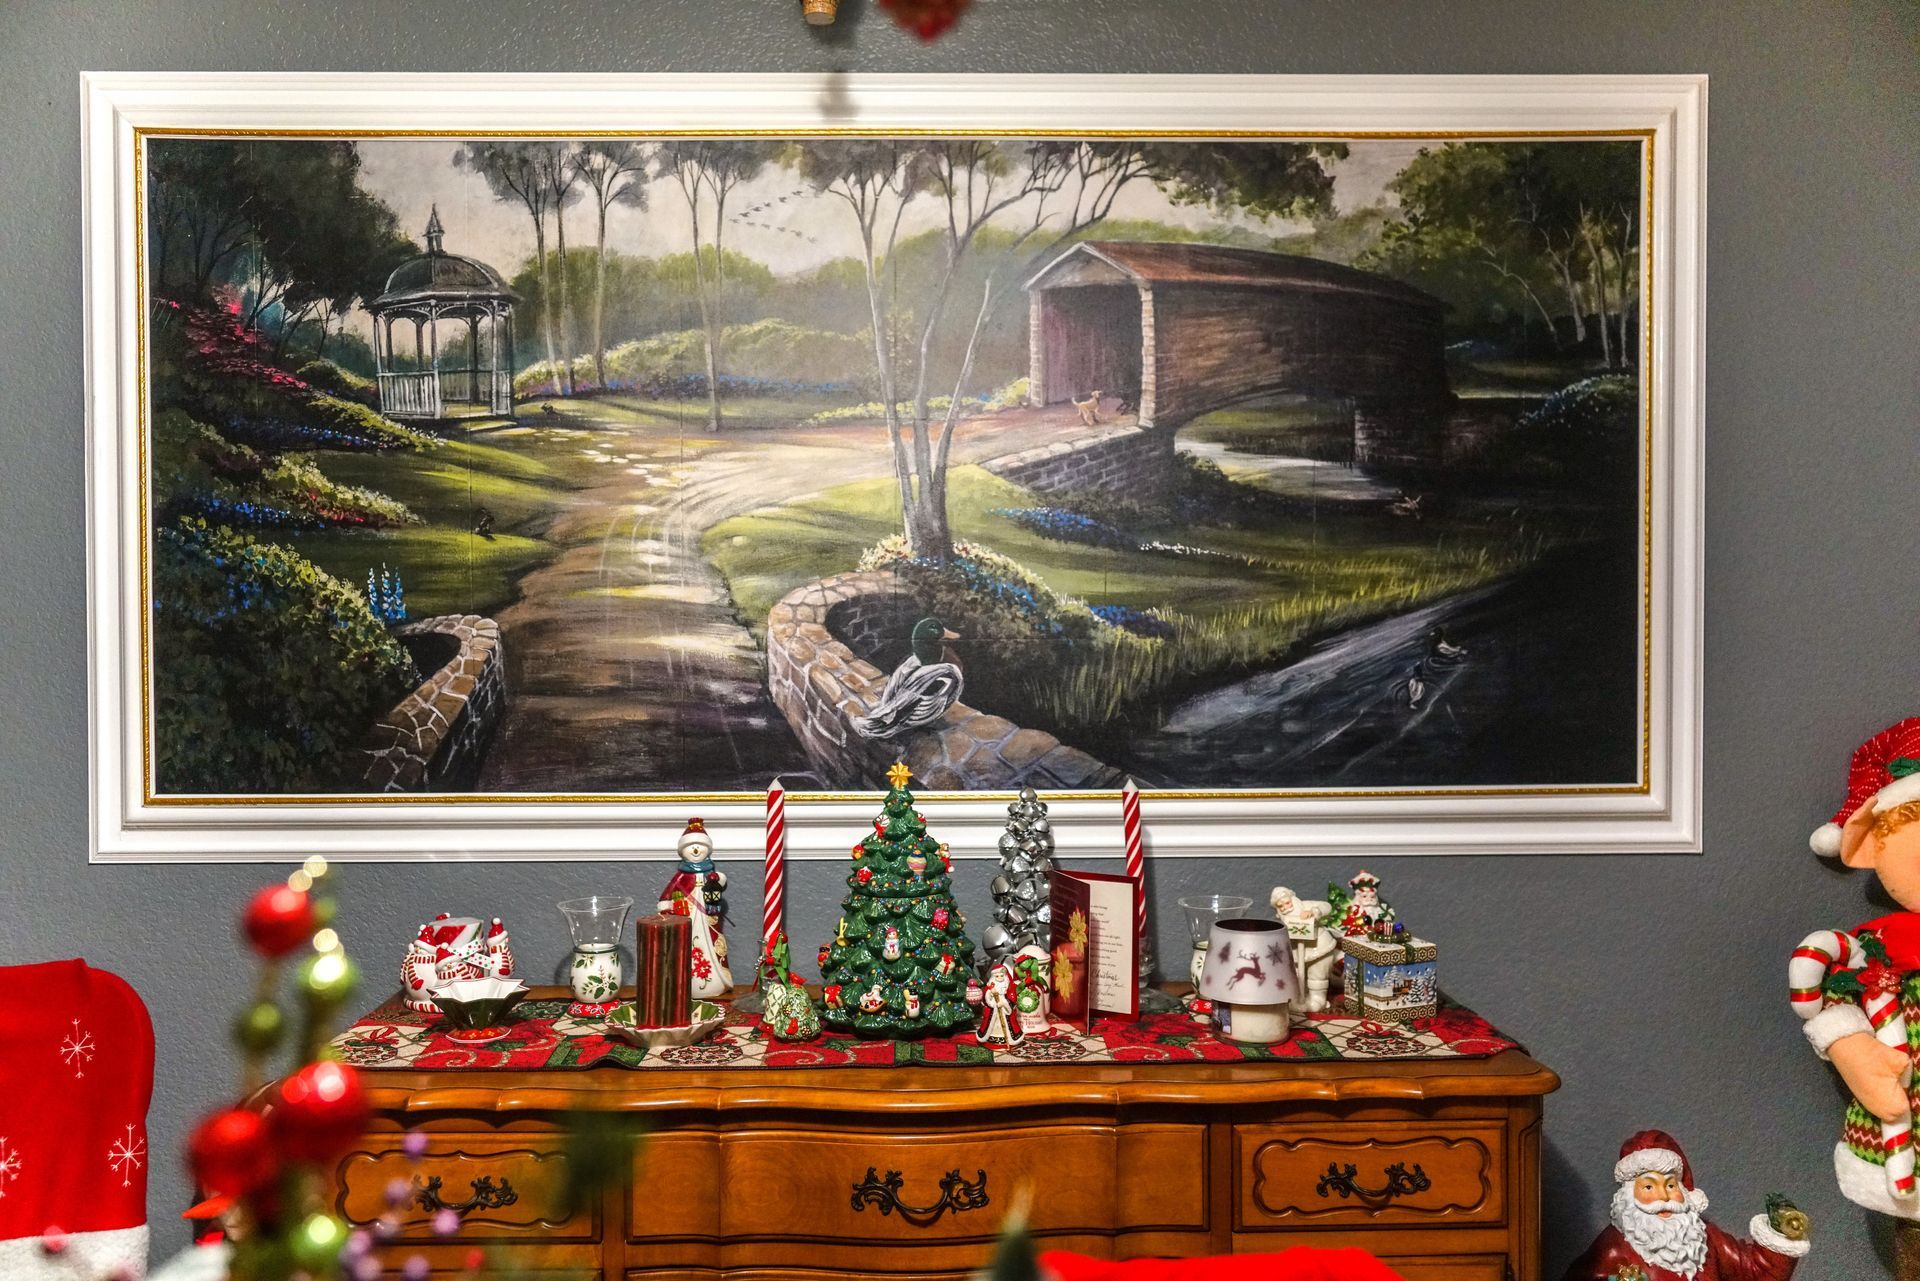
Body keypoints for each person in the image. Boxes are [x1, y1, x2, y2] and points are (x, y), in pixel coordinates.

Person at [1561, 1131, 1808, 1281]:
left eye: (1670, 1185)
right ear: (1630, 1195)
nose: (1663, 1197)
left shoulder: (1705, 1239)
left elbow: (1752, 1270)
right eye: (1649, 1187)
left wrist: (1780, 1237)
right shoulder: (1613, 1248)